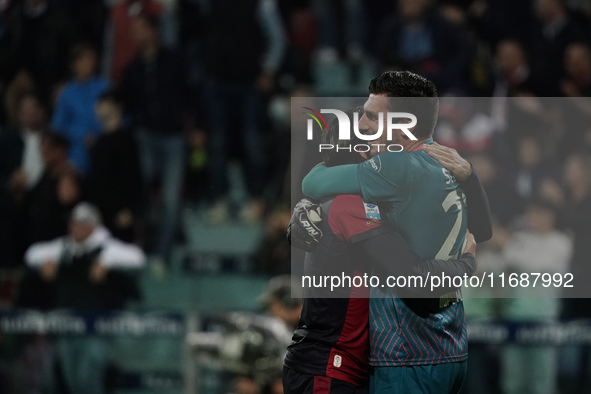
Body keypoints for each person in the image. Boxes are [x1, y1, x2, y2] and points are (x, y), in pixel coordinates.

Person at [301, 71, 492, 394]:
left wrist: (337, 159)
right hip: (452, 344)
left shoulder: (396, 166)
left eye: (372, 117)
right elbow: (483, 231)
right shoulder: (449, 163)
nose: (361, 125)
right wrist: (471, 178)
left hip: (406, 350)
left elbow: (312, 184)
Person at [24, 202, 145, 394]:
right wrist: (44, 265)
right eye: (74, 223)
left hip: (95, 328)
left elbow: (137, 258)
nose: (76, 228)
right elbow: (31, 254)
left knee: (88, 381)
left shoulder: (106, 247)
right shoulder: (64, 247)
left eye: (82, 224)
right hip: (65, 325)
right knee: (71, 382)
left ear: (93, 226)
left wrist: (106, 262)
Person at [201, 0, 286, 224]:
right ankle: (219, 200)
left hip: (250, 83)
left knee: (252, 142)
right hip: (218, 81)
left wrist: (268, 70)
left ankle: (255, 200)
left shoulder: (261, 3)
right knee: (217, 143)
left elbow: (277, 38)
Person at [120, 12, 188, 267]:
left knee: (170, 200)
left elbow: (188, 94)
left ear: (153, 31)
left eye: (140, 29)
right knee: (139, 195)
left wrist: (195, 126)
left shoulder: (174, 61)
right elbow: (124, 105)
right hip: (145, 137)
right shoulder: (133, 68)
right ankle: (135, 250)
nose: (135, 34)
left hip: (173, 137)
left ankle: (161, 254)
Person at [86, 91, 142, 242]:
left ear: (117, 108)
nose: (98, 107)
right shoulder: (98, 142)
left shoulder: (126, 141)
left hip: (119, 216)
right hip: (100, 216)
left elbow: (134, 178)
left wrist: (128, 209)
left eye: (103, 103)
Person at [51, 43, 109, 173]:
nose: (88, 63)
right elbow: (58, 128)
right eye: (83, 59)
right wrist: (81, 136)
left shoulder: (106, 88)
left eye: (91, 59)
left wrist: (101, 138)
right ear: (74, 64)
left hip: (105, 152)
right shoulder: (67, 94)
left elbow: (120, 120)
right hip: (76, 156)